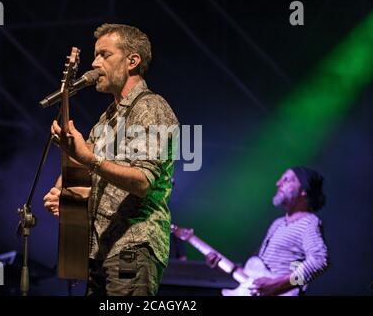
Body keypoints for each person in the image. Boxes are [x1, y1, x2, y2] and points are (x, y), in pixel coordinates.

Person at [43, 23, 179, 296]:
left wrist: (88, 158)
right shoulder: (108, 117)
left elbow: (143, 181)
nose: (94, 63)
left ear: (132, 61)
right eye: (94, 55)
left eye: (104, 55)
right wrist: (62, 190)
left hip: (133, 248)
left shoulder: (151, 107)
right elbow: (84, 164)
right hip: (100, 251)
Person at [206, 167, 329, 296]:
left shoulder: (309, 222)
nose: (278, 183)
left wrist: (278, 284)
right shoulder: (277, 223)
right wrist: (219, 266)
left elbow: (319, 261)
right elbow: (254, 275)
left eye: (286, 180)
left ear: (304, 190)